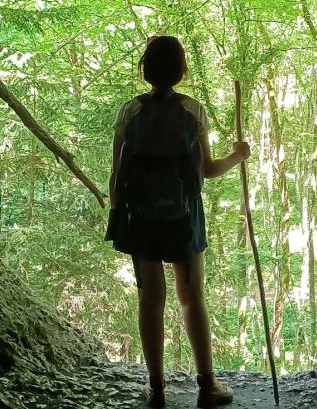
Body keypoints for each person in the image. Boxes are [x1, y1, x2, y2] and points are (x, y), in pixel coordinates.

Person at [107, 35, 250, 408]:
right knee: (191, 297)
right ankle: (208, 385)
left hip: (139, 218)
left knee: (150, 299)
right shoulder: (193, 111)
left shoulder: (129, 112)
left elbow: (115, 176)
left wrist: (118, 212)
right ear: (183, 71)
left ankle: (156, 389)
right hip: (184, 216)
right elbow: (208, 170)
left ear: (144, 70)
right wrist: (239, 156)